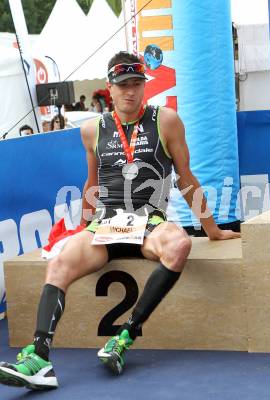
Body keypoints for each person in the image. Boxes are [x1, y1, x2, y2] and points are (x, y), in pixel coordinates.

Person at [0, 51, 240, 390]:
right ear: (109, 89)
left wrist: (212, 230)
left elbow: (186, 178)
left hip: (148, 222)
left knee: (180, 244)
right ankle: (38, 357)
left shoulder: (166, 120)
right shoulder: (91, 130)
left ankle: (125, 336)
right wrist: (81, 229)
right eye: (122, 85)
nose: (130, 92)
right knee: (58, 265)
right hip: (105, 223)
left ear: (144, 86)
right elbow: (92, 184)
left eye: (136, 84)